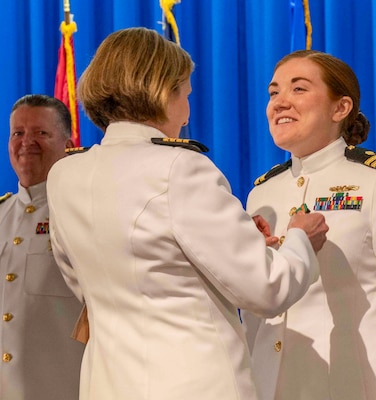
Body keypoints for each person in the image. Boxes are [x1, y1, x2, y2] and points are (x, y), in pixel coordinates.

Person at [46, 27, 328, 400]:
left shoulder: (65, 174)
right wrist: (298, 240)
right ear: (163, 93)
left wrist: (238, 237)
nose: (187, 112)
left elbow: (91, 281)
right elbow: (267, 288)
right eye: (185, 95)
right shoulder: (180, 167)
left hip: (107, 384)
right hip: (194, 384)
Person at [241, 50, 376, 400]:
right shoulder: (261, 195)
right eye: (274, 93)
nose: (280, 103)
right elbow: (256, 319)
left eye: (298, 89)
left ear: (340, 108)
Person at [0, 94, 84, 399]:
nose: (26, 142)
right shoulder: (2, 214)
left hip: (62, 387)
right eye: (18, 133)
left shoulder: (83, 213)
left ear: (69, 144)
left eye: (41, 133)